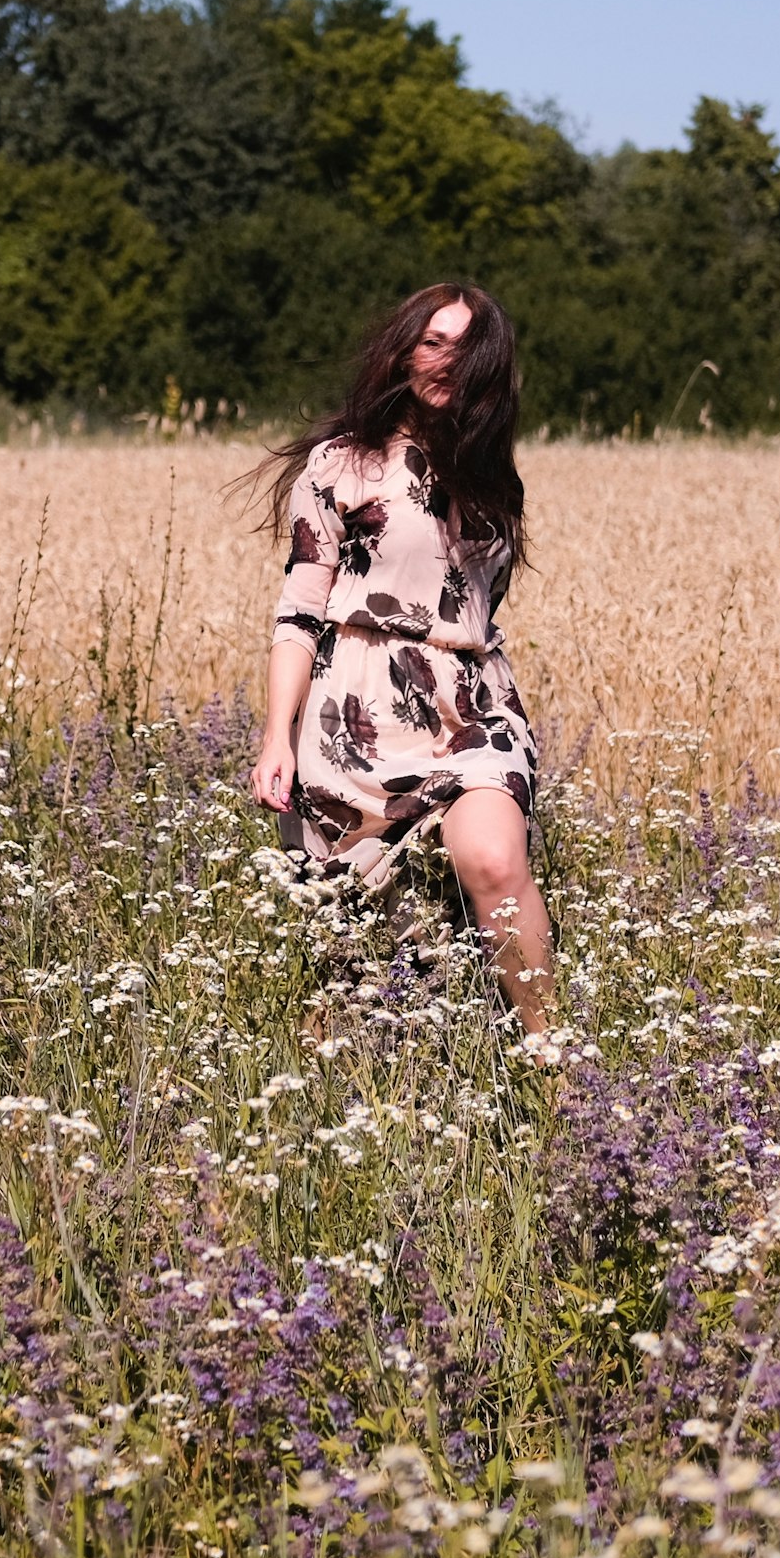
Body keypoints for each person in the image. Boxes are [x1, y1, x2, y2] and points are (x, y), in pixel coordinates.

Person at [250, 283, 555, 1036]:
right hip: (354, 716)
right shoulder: (340, 465)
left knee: (489, 856)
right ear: (404, 348)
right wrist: (274, 735)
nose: (446, 361)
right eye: (432, 341)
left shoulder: (492, 475)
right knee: (353, 959)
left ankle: (557, 1071)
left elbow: (481, 603)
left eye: (465, 347)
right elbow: (299, 607)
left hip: (472, 707)